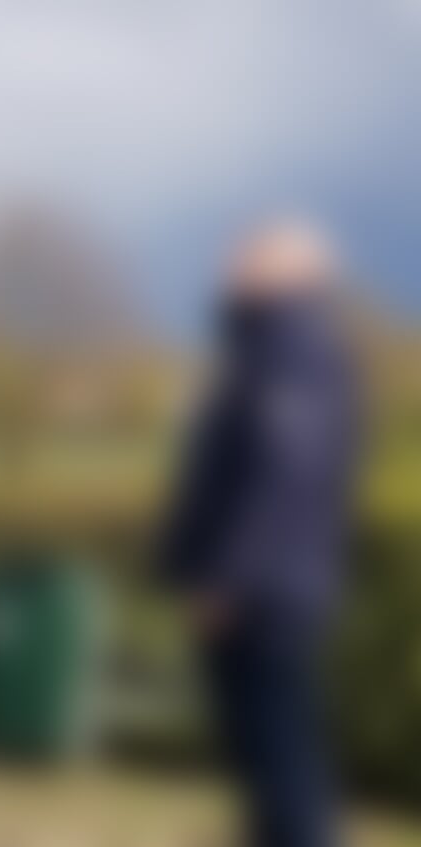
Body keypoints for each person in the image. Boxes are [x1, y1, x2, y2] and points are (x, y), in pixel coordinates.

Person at [159, 218, 359, 847]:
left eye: (253, 256)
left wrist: (227, 581)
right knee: (262, 753)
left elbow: (280, 478)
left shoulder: (292, 355)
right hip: (271, 585)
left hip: (264, 593)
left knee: (280, 753)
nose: (235, 264)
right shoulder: (267, 352)